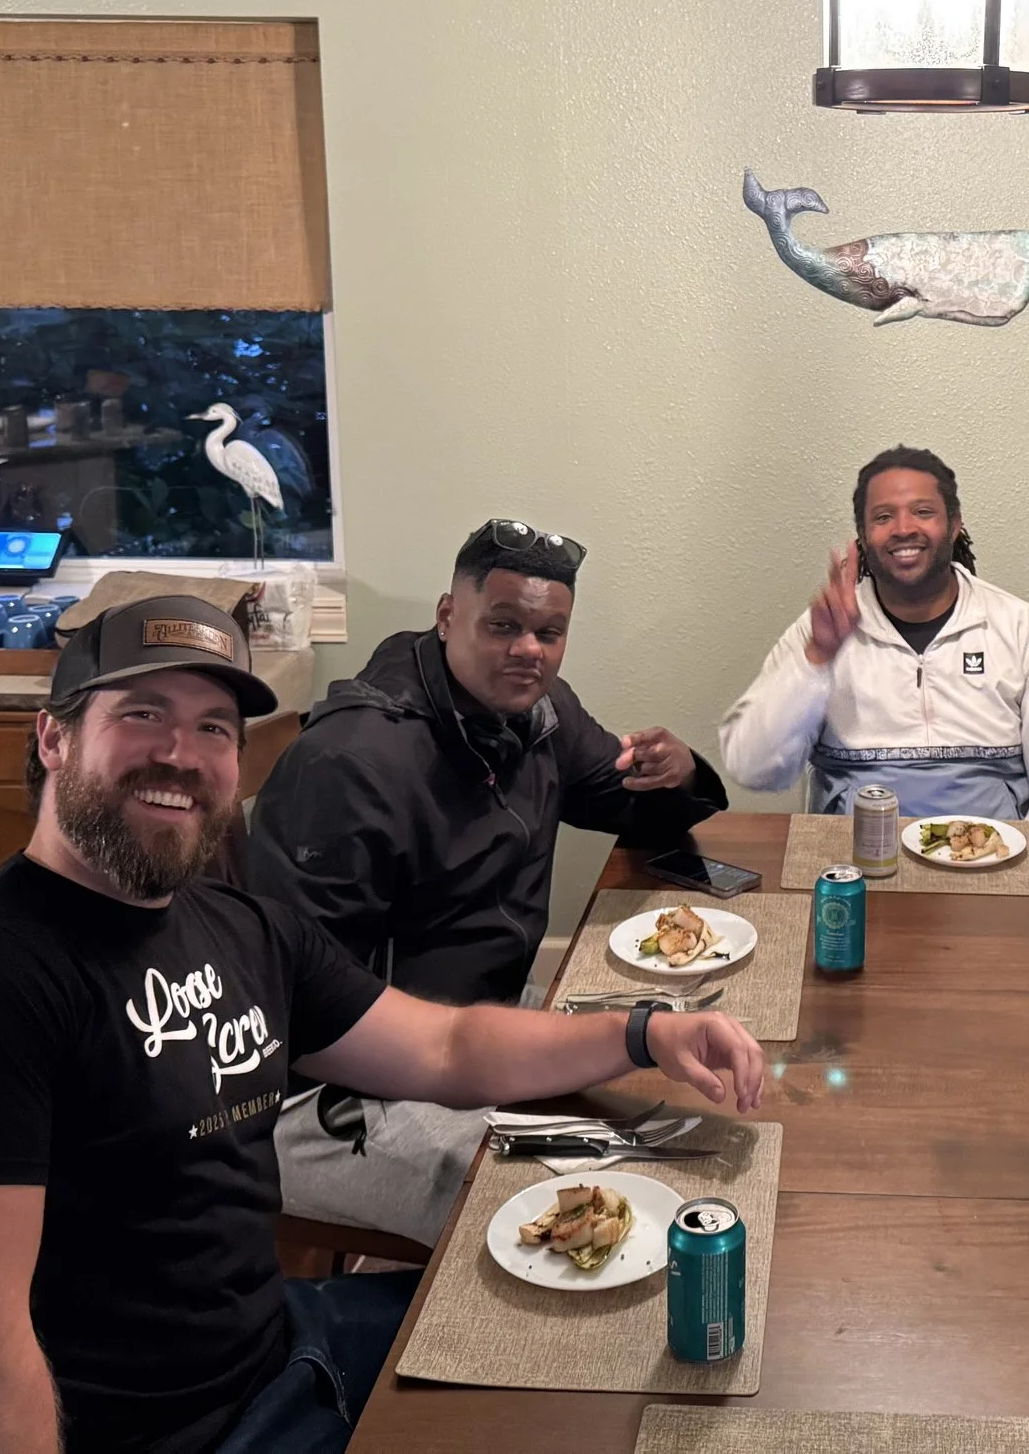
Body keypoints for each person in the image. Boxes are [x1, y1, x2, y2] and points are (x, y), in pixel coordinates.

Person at [0, 594, 766, 1454]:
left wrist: (643, 1033)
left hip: (284, 1346)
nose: (180, 753)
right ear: (53, 737)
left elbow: (443, 1047)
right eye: (141, 714)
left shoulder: (238, 928)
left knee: (620, 1337)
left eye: (213, 726)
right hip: (179, 1434)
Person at [247, 518, 729, 1242]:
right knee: (581, 1212)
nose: (529, 650)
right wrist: (485, 1068)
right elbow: (307, 1010)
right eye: (504, 625)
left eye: (549, 632)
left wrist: (680, 773)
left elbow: (628, 803)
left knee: (682, 1078)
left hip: (482, 1022)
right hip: (338, 1084)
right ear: (448, 615)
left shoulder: (541, 712)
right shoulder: (350, 763)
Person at [720, 446, 1029, 820]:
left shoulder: (1023, 630)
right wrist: (816, 660)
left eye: (923, 512)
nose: (904, 529)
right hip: (856, 857)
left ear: (954, 525)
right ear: (863, 534)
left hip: (994, 856)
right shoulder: (823, 630)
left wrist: (1023, 856)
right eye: (883, 517)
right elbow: (754, 769)